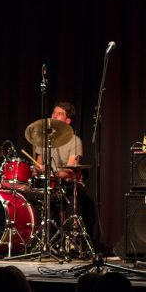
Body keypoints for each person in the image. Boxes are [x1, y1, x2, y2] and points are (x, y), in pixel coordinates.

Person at [33, 101, 95, 247]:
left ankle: (67, 242)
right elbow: (37, 165)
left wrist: (51, 173)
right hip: (48, 184)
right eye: (54, 112)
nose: (54, 115)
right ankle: (36, 240)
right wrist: (38, 169)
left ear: (67, 121)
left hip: (68, 185)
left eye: (59, 114)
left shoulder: (74, 140)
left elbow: (69, 171)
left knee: (66, 194)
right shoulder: (43, 140)